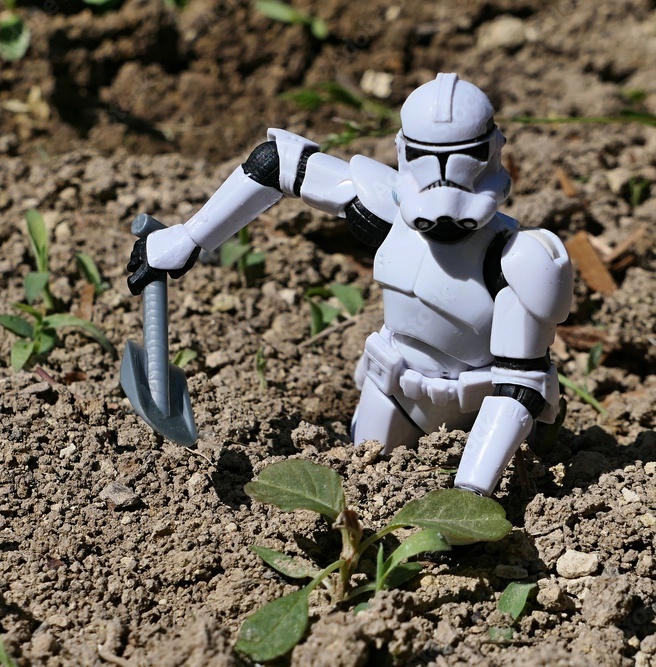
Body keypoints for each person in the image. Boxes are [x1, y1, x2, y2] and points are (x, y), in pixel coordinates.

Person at [126, 73, 573, 496]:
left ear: (491, 152)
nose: (443, 185)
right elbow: (277, 163)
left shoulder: (519, 258)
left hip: (477, 418)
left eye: (462, 159)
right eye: (425, 159)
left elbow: (519, 385)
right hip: (391, 390)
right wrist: (186, 239)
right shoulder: (388, 211)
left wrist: (470, 491)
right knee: (356, 488)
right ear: (404, 151)